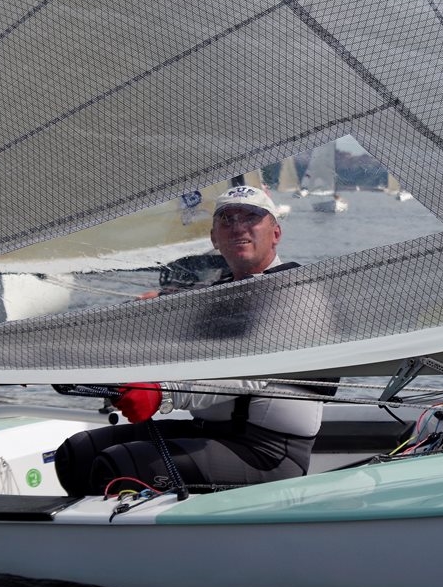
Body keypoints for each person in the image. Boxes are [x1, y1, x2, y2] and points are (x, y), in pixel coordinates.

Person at [55, 185, 329, 496]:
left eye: (251, 217)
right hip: (209, 434)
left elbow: (252, 371)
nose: (238, 227)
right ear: (214, 238)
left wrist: (162, 393)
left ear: (276, 233)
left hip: (267, 453)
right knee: (77, 454)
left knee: (119, 465)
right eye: (226, 219)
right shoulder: (217, 294)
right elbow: (169, 334)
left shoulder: (298, 293)